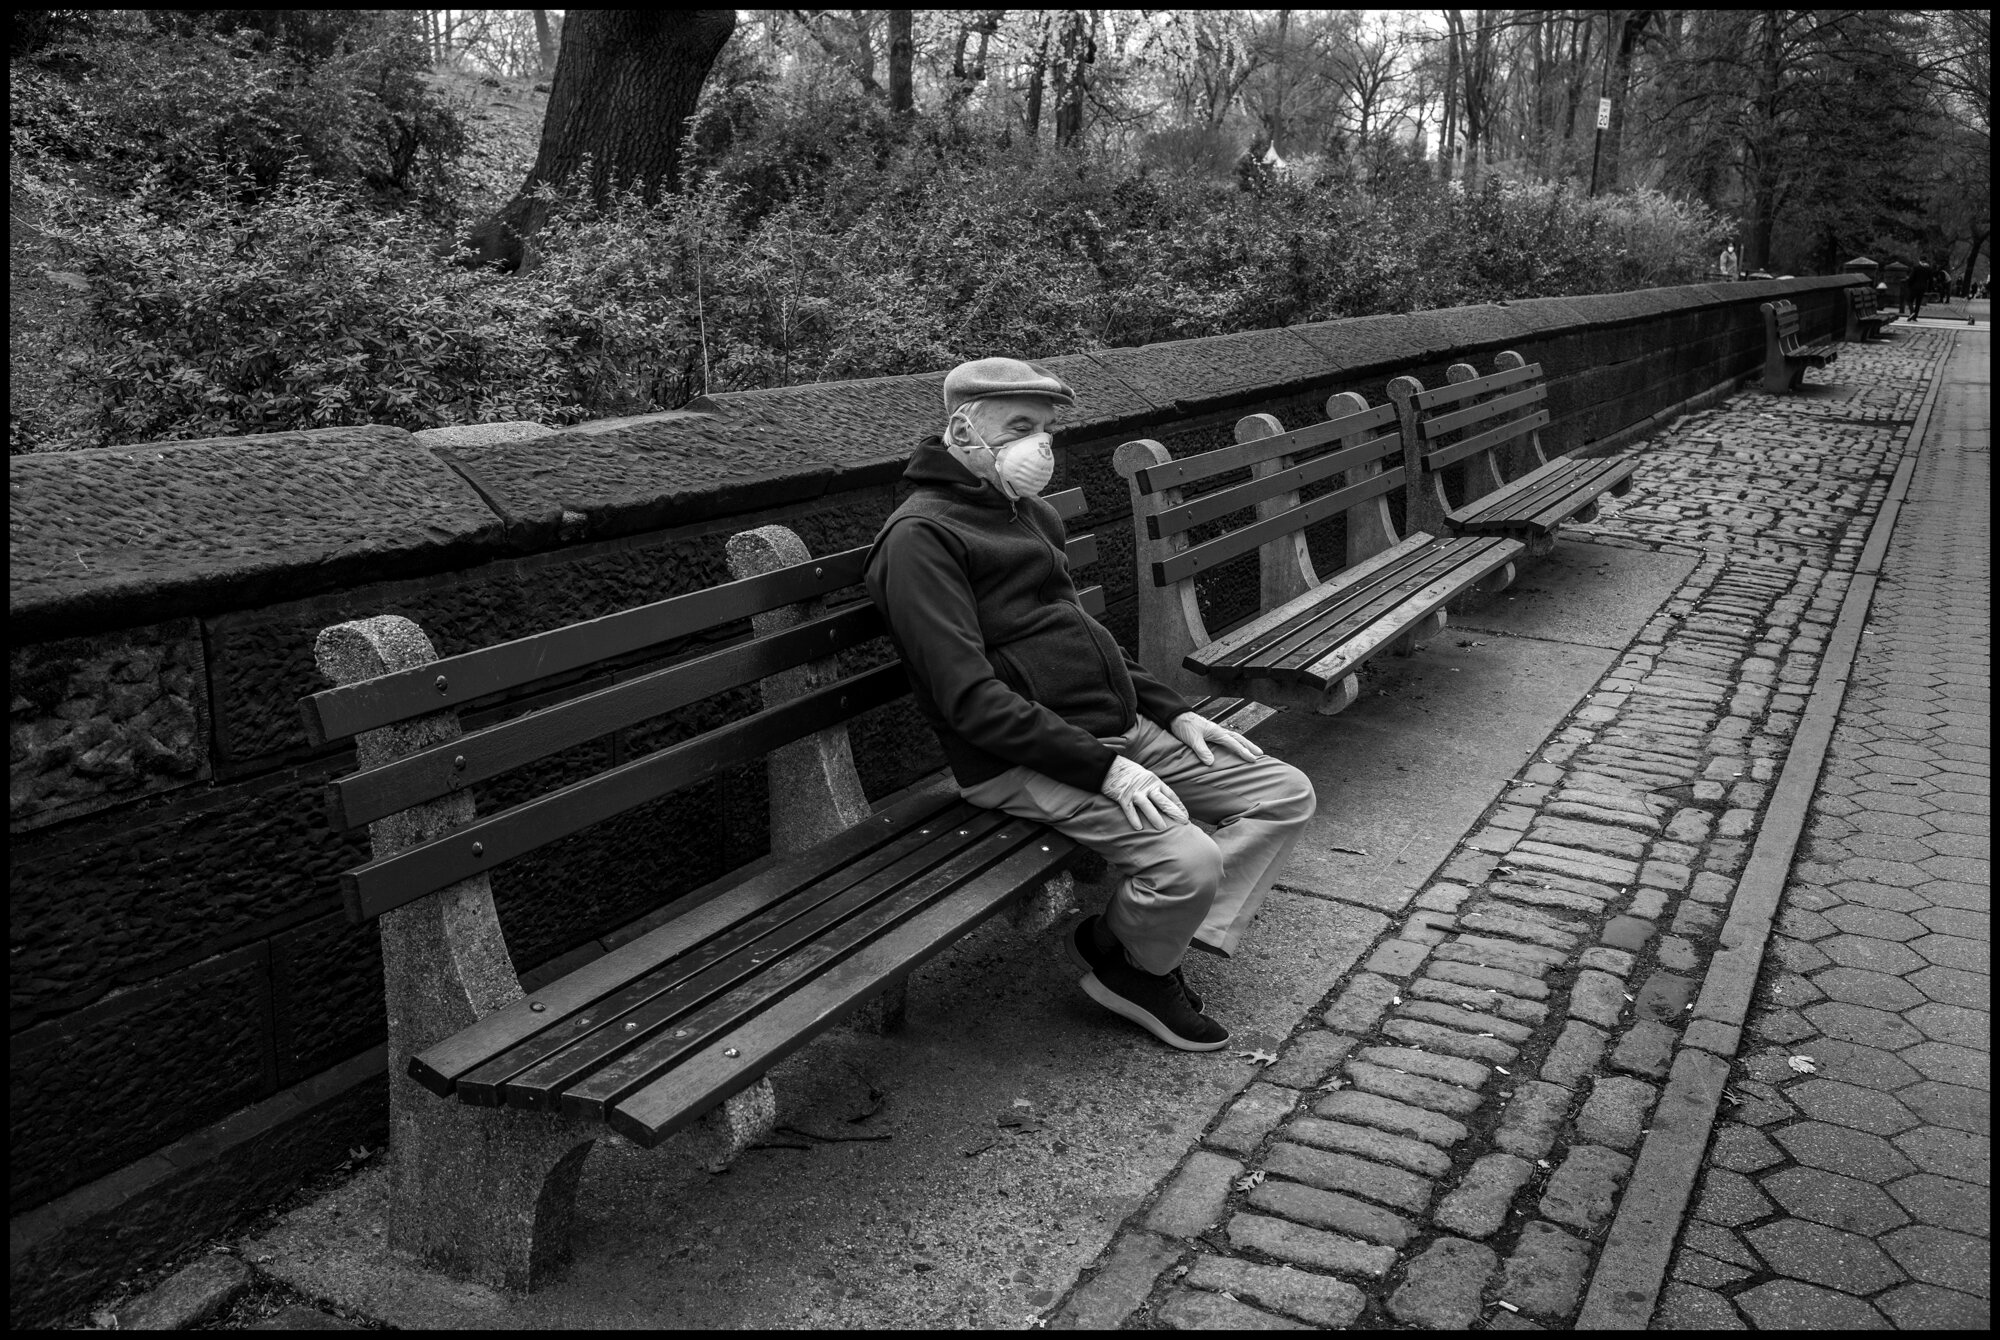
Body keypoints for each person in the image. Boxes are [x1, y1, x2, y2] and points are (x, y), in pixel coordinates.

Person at [864, 357, 1318, 1052]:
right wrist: (1103, 770)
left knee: (1282, 792)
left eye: (1046, 430)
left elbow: (1086, 635)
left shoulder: (1030, 512)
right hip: (1016, 756)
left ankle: (1129, 949)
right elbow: (968, 700)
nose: (1039, 446)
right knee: (1189, 864)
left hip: (1113, 727)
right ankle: (1142, 968)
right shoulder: (920, 538)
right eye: (1021, 426)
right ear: (962, 426)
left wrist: (1172, 711)